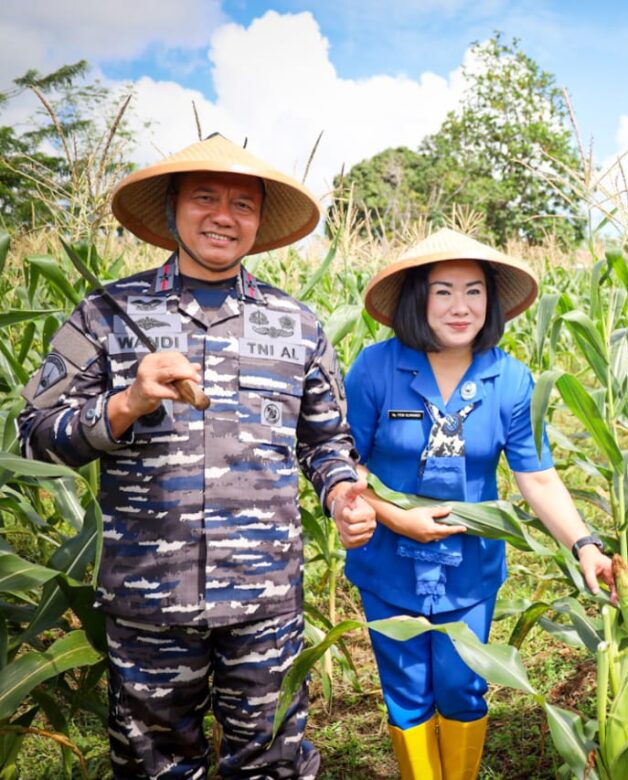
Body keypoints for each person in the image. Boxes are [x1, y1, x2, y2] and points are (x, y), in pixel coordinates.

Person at [18, 133, 375, 779]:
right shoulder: (107, 314)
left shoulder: (298, 326)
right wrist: (125, 404)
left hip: (265, 600)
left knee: (272, 763)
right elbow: (31, 438)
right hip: (149, 598)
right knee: (155, 767)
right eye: (205, 197)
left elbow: (325, 443)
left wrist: (343, 489)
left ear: (259, 221)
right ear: (173, 210)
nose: (223, 215)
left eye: (243, 203)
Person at [335, 227, 612, 780]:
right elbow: (346, 461)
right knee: (407, 686)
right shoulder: (375, 367)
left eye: (474, 291)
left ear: (491, 301)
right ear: (418, 298)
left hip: (470, 568)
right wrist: (396, 518)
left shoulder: (510, 379)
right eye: (443, 291)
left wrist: (585, 544)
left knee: (464, 684)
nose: (460, 307)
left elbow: (536, 478)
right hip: (388, 562)